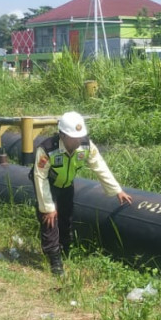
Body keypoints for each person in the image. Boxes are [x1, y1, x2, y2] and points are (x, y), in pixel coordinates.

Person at [32, 111, 133, 275]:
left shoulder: (86, 145)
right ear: (62, 135)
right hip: (48, 185)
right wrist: (48, 207)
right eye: (73, 137)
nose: (78, 140)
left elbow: (99, 165)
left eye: (80, 136)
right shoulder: (47, 149)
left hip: (67, 185)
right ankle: (54, 259)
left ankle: (65, 250)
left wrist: (116, 190)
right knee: (49, 221)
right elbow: (40, 178)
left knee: (66, 218)